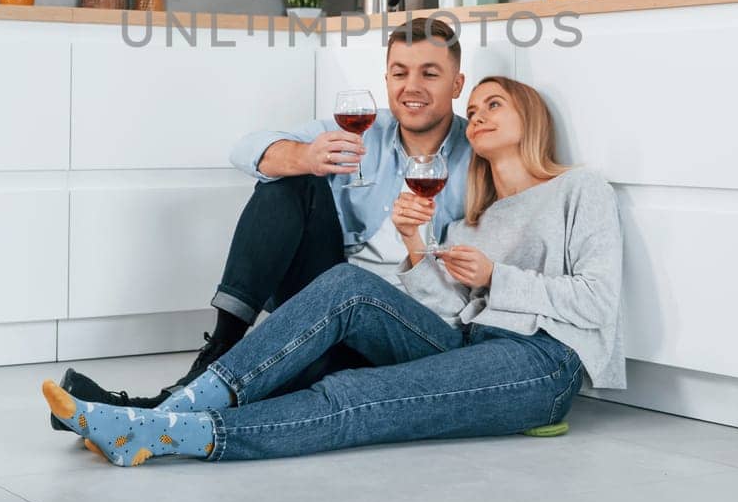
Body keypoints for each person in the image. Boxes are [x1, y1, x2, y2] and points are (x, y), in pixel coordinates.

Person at [42, 75, 625, 465]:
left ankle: (165, 433)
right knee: (348, 284)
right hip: (465, 343)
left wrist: (497, 277)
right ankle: (173, 406)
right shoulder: (474, 218)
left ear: (533, 115)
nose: (476, 116)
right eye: (472, 111)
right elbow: (448, 311)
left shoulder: (580, 188)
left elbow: (599, 302)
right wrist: (415, 244)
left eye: (493, 104)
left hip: (540, 363)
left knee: (355, 393)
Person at [52, 15, 472, 421]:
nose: (411, 87)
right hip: (327, 296)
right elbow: (247, 149)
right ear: (386, 80)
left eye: (429, 74)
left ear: (457, 83)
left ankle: (149, 410)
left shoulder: (479, 156)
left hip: (401, 319)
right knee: (289, 181)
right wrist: (303, 156)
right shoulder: (366, 131)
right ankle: (221, 345)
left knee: (287, 376)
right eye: (400, 73)